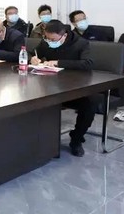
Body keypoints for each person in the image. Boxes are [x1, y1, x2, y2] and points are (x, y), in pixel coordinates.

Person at [31, 20, 95, 157]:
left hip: (75, 88)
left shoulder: (81, 43)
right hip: (49, 87)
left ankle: (76, 139)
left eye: (53, 39)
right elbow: (33, 52)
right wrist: (33, 58)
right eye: (47, 38)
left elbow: (87, 63)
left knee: (89, 106)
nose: (49, 42)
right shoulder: (46, 41)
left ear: (64, 35)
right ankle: (41, 139)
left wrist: (59, 62)